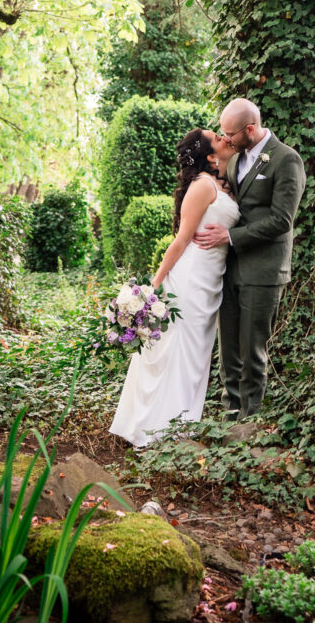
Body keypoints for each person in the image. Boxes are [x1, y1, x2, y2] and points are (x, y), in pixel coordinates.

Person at [109, 128, 239, 447]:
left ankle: (180, 424)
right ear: (210, 156)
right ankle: (162, 432)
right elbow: (180, 241)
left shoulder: (226, 181)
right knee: (180, 352)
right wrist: (151, 289)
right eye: (218, 138)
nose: (225, 138)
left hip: (212, 279)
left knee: (197, 354)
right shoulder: (202, 186)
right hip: (191, 279)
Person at [194, 98, 306, 420]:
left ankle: (249, 419)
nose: (224, 138)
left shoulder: (286, 160)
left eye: (229, 134)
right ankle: (231, 414)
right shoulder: (233, 159)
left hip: (264, 269)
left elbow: (282, 220)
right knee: (228, 346)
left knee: (252, 349)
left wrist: (230, 237)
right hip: (229, 268)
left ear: (250, 129)